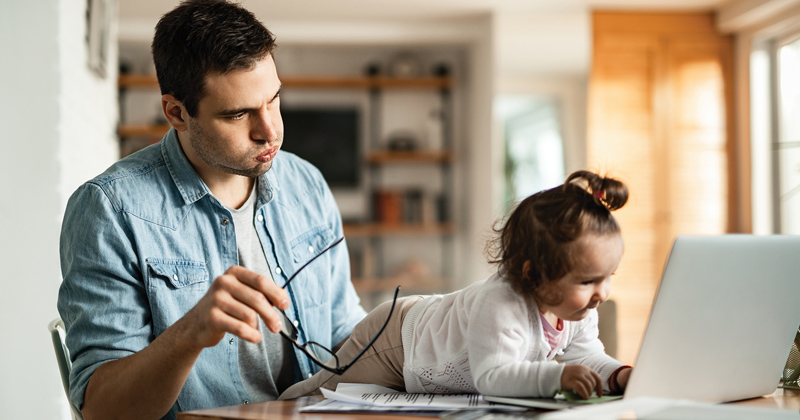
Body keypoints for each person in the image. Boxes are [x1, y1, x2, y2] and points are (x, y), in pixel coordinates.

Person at [57, 1, 366, 419]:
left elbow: (344, 333)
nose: (269, 130)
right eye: (238, 114)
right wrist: (190, 333)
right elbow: (103, 410)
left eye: (273, 100)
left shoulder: (306, 184)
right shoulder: (110, 210)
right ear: (177, 113)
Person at [279, 170, 634, 401]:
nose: (602, 294)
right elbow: (493, 376)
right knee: (320, 393)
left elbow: (587, 356)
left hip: (422, 364)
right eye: (588, 281)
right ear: (533, 273)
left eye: (608, 278)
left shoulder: (577, 310)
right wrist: (557, 376)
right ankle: (268, 407)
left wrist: (618, 375)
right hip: (398, 341)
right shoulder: (502, 303)